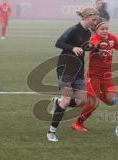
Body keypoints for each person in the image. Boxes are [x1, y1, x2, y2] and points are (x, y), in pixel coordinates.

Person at [71, 17, 118, 132]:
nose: (105, 31)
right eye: (102, 29)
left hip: (106, 77)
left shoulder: (112, 38)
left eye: (106, 28)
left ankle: (97, 95)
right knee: (94, 104)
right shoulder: (94, 38)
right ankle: (77, 123)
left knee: (112, 100)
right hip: (93, 77)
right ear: (96, 29)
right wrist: (98, 48)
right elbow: (93, 45)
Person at [46, 7, 99, 142]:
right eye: (93, 20)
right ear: (86, 18)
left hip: (79, 69)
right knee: (66, 100)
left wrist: (96, 49)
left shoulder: (87, 32)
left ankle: (57, 102)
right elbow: (59, 43)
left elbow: (84, 46)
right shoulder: (73, 29)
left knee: (82, 101)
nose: (95, 22)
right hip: (65, 67)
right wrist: (72, 48)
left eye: (96, 20)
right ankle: (51, 132)